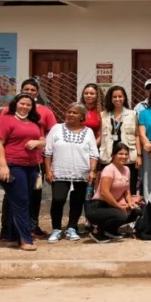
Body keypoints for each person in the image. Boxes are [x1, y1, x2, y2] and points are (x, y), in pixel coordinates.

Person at [0, 78, 56, 240]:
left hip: (37, 161)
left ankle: (32, 226)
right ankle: (7, 229)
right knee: (12, 195)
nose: (29, 91)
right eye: (26, 89)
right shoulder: (8, 112)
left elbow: (51, 135)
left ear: (37, 93)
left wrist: (40, 144)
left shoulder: (45, 112)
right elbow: (0, 138)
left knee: (35, 194)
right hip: (13, 161)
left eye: (32, 89)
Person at [0, 94, 42, 251]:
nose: (25, 107)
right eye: (22, 104)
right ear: (15, 104)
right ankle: (26, 239)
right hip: (13, 166)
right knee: (21, 202)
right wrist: (3, 166)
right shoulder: (7, 120)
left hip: (31, 167)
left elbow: (43, 139)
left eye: (28, 105)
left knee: (18, 201)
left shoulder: (33, 122)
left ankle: (12, 237)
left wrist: (38, 142)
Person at [44, 103, 99, 243]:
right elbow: (48, 151)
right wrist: (48, 170)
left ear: (82, 116)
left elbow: (93, 153)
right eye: (69, 112)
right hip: (60, 172)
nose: (71, 115)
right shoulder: (56, 129)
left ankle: (71, 228)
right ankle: (56, 229)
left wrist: (92, 171)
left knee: (77, 201)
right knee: (58, 199)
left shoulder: (88, 132)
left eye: (75, 113)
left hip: (81, 173)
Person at [85, 143, 142, 243]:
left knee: (137, 210)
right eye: (120, 154)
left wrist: (130, 202)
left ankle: (110, 231)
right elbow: (104, 193)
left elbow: (126, 190)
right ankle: (97, 232)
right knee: (121, 214)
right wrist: (119, 207)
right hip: (99, 206)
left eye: (126, 154)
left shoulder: (127, 169)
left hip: (112, 205)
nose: (124, 156)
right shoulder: (109, 169)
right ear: (113, 155)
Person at [99, 86, 140, 197]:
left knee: (129, 187)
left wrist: (139, 155)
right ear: (110, 99)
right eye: (114, 97)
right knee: (109, 187)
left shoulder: (133, 114)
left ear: (124, 98)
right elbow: (100, 136)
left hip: (128, 157)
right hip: (108, 156)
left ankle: (129, 211)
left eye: (120, 96)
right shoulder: (103, 115)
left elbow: (137, 135)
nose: (117, 99)